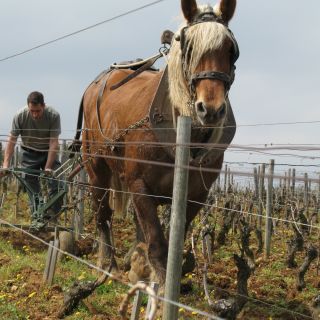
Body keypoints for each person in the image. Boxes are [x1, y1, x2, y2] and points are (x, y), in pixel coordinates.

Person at [0, 91, 62, 224]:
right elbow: (12, 141)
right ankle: (37, 216)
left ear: (43, 106)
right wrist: (5, 164)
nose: (35, 114)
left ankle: (52, 217)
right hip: (29, 153)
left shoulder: (53, 116)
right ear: (28, 107)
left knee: (57, 182)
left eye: (38, 111)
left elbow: (53, 142)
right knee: (30, 184)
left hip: (47, 152)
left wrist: (48, 167)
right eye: (32, 111)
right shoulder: (20, 116)